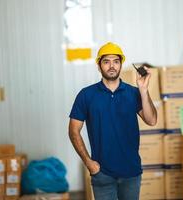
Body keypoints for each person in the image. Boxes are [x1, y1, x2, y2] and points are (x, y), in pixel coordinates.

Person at [68, 42, 157, 200]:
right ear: (99, 65)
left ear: (121, 65)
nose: (112, 66)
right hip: (102, 174)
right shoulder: (86, 95)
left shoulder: (133, 93)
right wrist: (89, 162)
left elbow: (151, 120)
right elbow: (73, 131)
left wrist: (143, 90)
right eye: (106, 61)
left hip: (131, 173)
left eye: (116, 61)